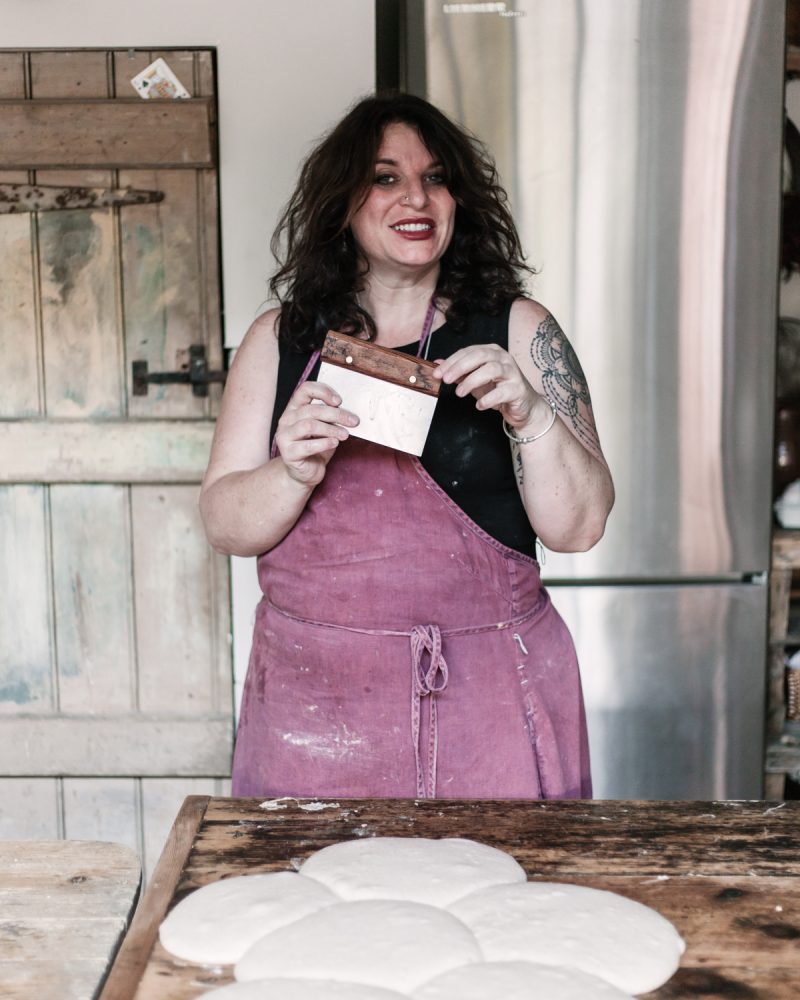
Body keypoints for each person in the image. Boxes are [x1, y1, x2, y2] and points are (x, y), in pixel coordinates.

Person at [200, 93, 614, 801]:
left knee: (508, 902)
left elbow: (579, 528)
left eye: (436, 176)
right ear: (343, 202)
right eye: (386, 177)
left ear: (460, 198)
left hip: (488, 701)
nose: (415, 197)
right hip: (313, 706)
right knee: (316, 902)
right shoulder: (279, 340)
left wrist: (529, 410)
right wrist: (292, 470)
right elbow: (224, 523)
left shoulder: (519, 331)